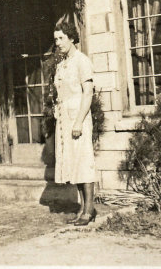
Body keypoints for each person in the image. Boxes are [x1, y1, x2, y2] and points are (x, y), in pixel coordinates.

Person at [53, 22, 97, 226]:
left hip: (78, 117)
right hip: (64, 119)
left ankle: (89, 209)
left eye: (61, 38)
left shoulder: (82, 61)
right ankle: (82, 208)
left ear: (71, 38)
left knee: (83, 160)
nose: (58, 42)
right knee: (74, 163)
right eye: (56, 39)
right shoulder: (62, 64)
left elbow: (88, 93)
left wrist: (79, 121)